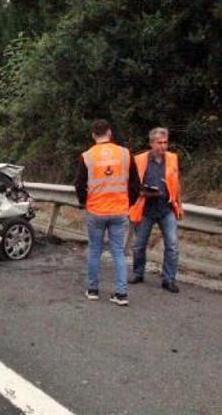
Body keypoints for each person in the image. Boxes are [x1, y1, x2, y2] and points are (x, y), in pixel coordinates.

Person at [75, 120, 140, 306]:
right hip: (119, 210)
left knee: (95, 250)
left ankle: (93, 290)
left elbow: (79, 184)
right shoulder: (125, 154)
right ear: (110, 133)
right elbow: (135, 184)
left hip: (96, 210)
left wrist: (84, 202)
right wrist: (129, 203)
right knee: (118, 252)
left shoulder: (87, 156)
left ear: (93, 135)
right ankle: (121, 294)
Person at [128, 127, 183, 293]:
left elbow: (176, 182)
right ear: (151, 143)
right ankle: (138, 273)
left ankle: (169, 279)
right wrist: (143, 192)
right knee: (139, 245)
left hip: (167, 208)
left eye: (165, 142)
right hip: (145, 207)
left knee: (172, 245)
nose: (163, 146)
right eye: (159, 143)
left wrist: (178, 203)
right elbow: (131, 183)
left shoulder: (172, 158)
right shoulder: (139, 159)